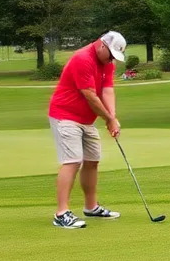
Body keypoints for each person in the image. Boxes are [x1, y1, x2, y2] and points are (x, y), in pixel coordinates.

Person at [47, 31, 126, 229]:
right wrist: (108, 118)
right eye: (110, 55)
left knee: (92, 161)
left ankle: (91, 207)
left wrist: (112, 117)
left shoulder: (108, 63)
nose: (111, 60)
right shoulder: (83, 59)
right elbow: (90, 95)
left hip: (87, 120)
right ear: (102, 46)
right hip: (65, 115)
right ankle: (61, 213)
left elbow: (107, 90)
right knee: (72, 161)